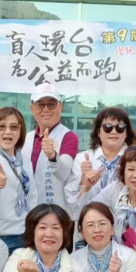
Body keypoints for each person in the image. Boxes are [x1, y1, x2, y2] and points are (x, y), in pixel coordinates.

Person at [84, 146, 136, 251]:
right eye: (131, 169)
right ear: (123, 171)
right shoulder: (115, 189)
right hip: (115, 256)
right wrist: (86, 188)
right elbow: (87, 212)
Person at [0, 107, 39, 254]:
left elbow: (32, 197)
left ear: (20, 131)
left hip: (24, 235)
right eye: (1, 127)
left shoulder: (25, 161)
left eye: (13, 127)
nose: (8, 132)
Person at [66, 107, 135, 219]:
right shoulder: (82, 159)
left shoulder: (135, 159)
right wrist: (84, 183)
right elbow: (71, 203)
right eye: (108, 127)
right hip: (91, 223)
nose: (114, 132)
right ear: (98, 132)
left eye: (120, 127)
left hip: (125, 223)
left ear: (127, 132)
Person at [19, 84, 79, 214]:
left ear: (61, 107)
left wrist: (52, 156)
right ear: (32, 107)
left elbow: (63, 173)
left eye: (51, 104)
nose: (46, 109)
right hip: (27, 214)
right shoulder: (25, 138)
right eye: (40, 104)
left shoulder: (68, 137)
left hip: (56, 215)